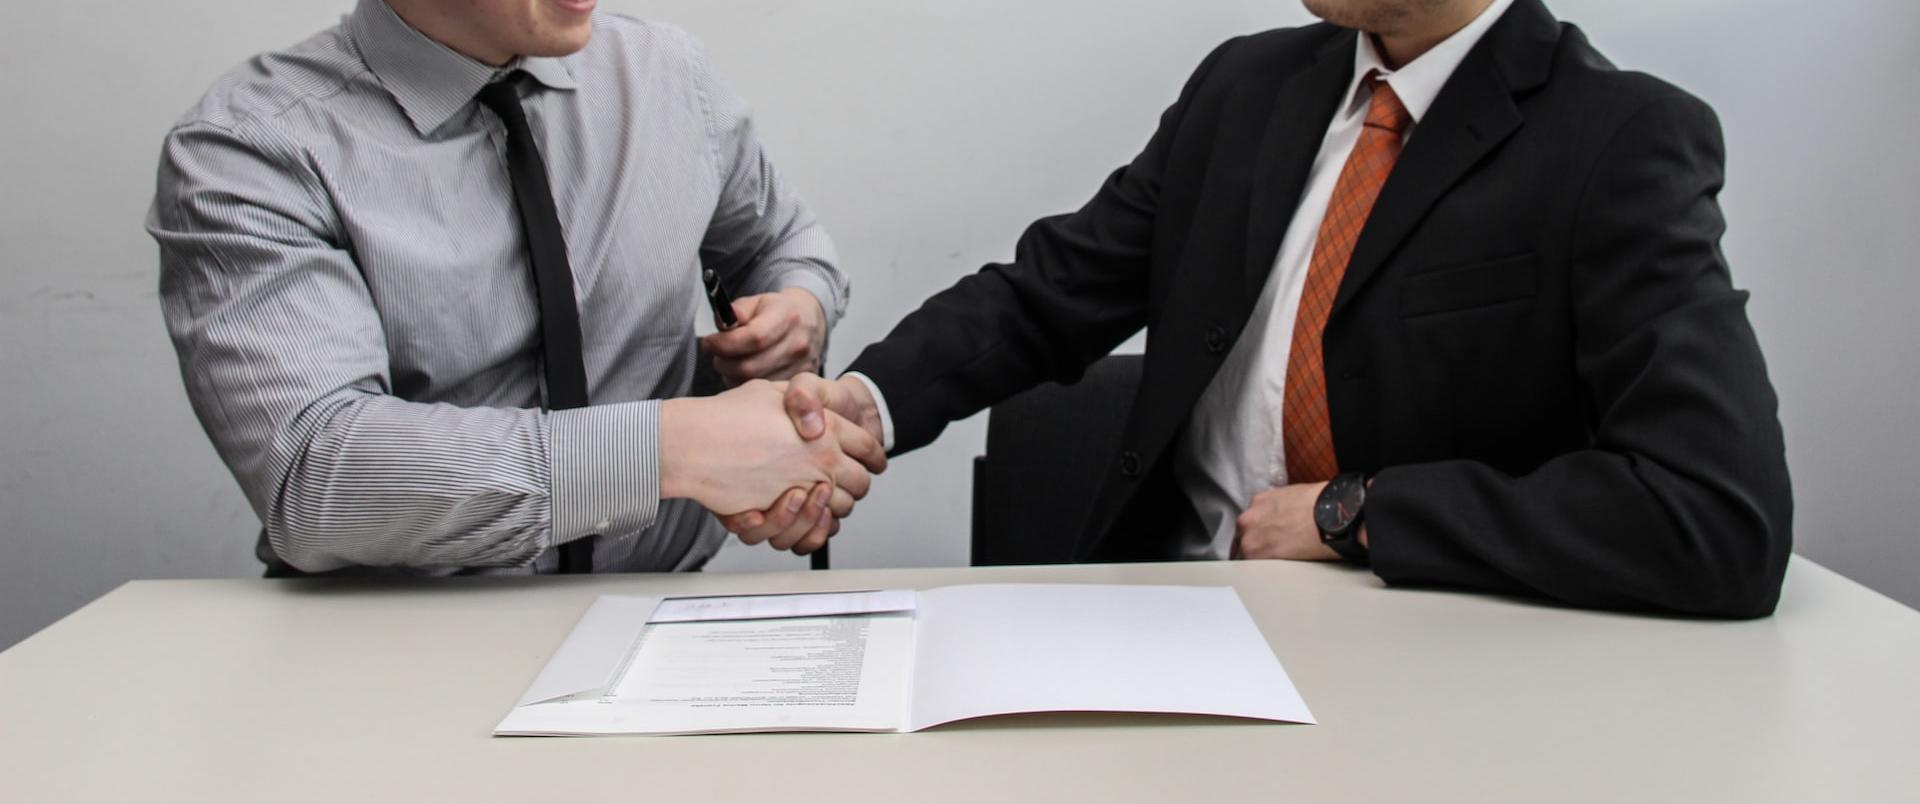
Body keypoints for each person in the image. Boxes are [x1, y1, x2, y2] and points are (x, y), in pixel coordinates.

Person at [742, 0, 1794, 617]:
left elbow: (1715, 513)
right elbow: (1049, 292)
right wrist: (862, 405)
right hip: (1165, 631)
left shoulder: (1620, 141)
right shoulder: (1246, 88)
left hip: (1423, 660)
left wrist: (1359, 514)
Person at [149, 0, 881, 577]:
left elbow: (783, 244)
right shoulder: (251, 150)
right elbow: (318, 476)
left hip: (659, 617)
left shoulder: (671, 76)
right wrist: (678, 449)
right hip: (387, 650)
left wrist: (796, 311)